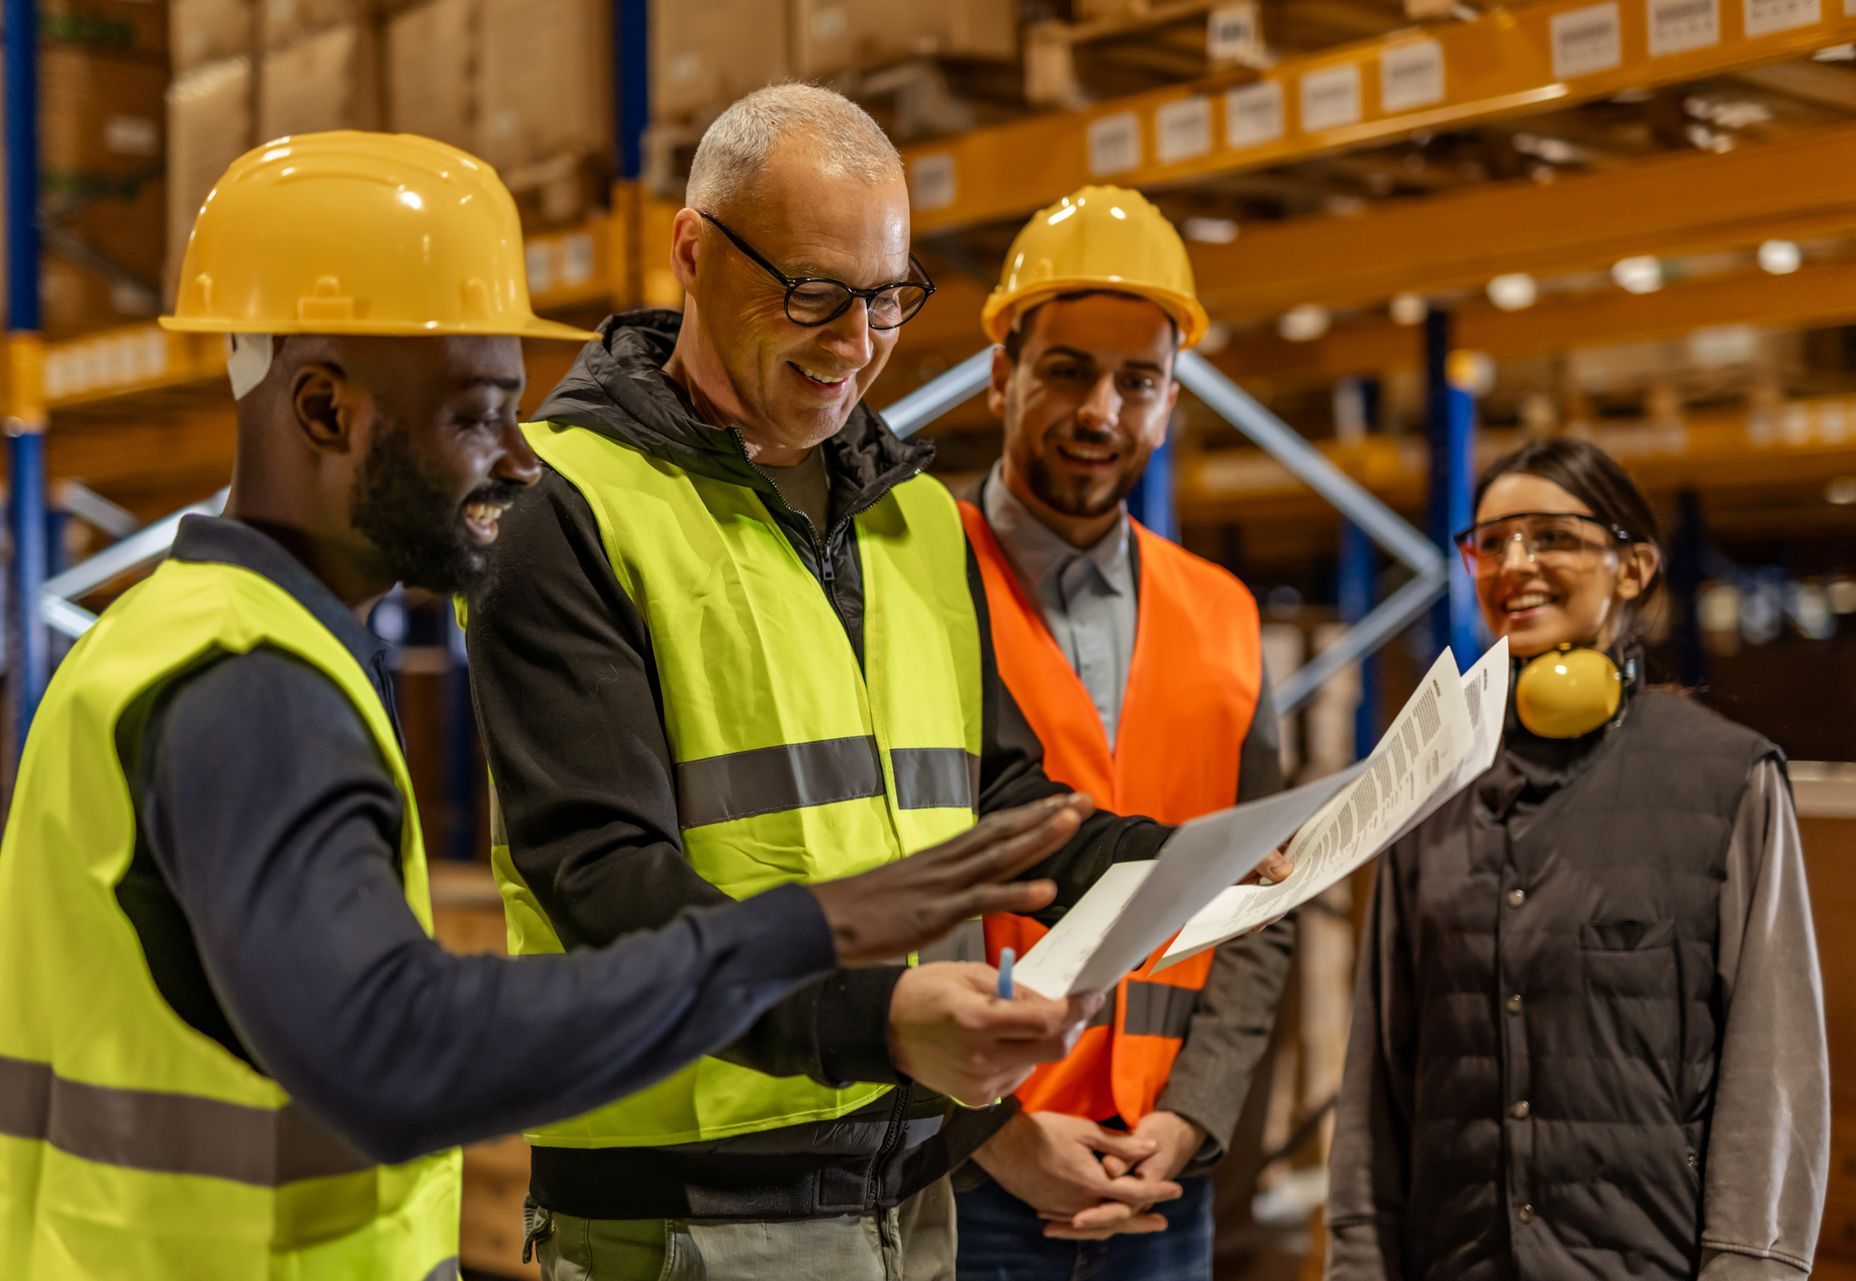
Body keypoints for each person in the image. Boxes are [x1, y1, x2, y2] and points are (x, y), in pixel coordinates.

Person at [0, 131, 1100, 1281]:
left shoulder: (175, 638)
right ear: (324, 410)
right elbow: (397, 1048)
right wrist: (814, 941)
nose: (521, 461)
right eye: (477, 413)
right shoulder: (246, 688)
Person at [464, 86, 1286, 1279]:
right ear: (692, 252)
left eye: (887, 299)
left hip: (907, 1199)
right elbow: (604, 880)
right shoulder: (563, 507)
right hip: (692, 1213)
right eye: (813, 294)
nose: (855, 345)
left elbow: (994, 796)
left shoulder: (911, 519)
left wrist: (1177, 866)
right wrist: (882, 1026)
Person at [1325, 437, 1829, 1280]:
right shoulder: (1426, 787)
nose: (1514, 563)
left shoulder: (1728, 777)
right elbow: (1378, 1072)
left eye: (1550, 536)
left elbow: (1772, 1065)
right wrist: (1356, 1261)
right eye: (1491, 542)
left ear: (1632, 568)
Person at [948, 187, 1294, 1281]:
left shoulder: (1226, 616)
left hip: (1159, 1185)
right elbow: (869, 881)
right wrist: (992, 1134)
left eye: (1137, 382)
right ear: (1002, 374)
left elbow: (1259, 909)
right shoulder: (908, 584)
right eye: (1066, 371)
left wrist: (1191, 1120)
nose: (1101, 410)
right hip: (966, 1174)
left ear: (1170, 401)